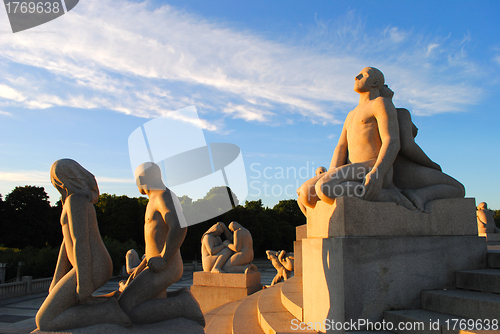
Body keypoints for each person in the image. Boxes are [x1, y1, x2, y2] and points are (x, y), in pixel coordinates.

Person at [297, 67, 415, 214]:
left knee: (324, 187)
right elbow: (341, 147)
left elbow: (391, 141)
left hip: (371, 166)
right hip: (352, 168)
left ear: (375, 82)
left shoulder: (380, 103)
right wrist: (332, 172)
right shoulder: (351, 114)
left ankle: (390, 195)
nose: (356, 77)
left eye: (362, 75)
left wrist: (377, 172)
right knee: (306, 194)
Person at [36, 159, 131, 331]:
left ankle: (107, 311)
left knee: (45, 320)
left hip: (94, 265)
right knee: (59, 310)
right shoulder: (70, 201)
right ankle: (110, 300)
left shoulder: (76, 200)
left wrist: (84, 281)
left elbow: (81, 241)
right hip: (86, 265)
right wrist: (57, 279)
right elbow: (67, 243)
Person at [117, 162, 204, 326]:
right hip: (156, 265)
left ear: (142, 179)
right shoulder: (155, 198)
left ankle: (183, 304)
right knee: (144, 301)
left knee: (125, 308)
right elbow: (154, 243)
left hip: (166, 266)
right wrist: (141, 268)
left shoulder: (163, 196)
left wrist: (164, 259)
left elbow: (179, 225)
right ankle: (180, 299)